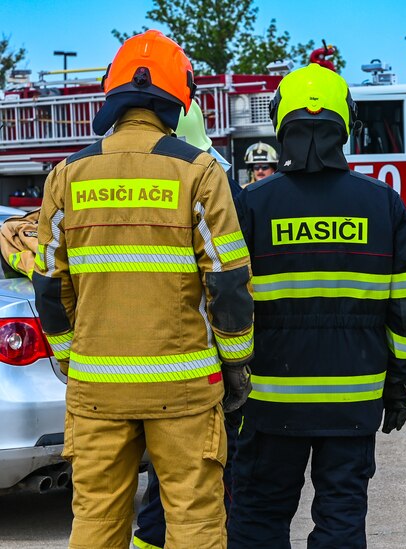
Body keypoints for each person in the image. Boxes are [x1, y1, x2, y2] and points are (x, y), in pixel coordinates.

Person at [32, 30, 254, 548]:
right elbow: (227, 283)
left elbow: (49, 287)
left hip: (96, 389)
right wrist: (237, 364)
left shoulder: (66, 176)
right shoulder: (199, 172)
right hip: (184, 388)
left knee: (95, 521)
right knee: (195, 519)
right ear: (179, 98)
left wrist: (71, 362)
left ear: (113, 94)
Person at [227, 62, 406, 548]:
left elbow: (227, 296)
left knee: (257, 516)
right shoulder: (383, 203)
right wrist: (401, 382)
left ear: (281, 124)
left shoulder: (251, 203)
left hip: (268, 402)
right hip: (353, 401)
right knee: (341, 519)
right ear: (347, 123)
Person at [132, 99, 245, 549]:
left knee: (160, 485)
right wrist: (238, 363)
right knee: (203, 481)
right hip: (197, 370)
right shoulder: (213, 181)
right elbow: (231, 283)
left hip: (131, 369)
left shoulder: (130, 182)